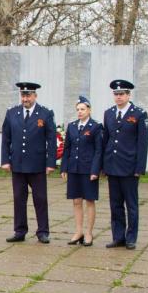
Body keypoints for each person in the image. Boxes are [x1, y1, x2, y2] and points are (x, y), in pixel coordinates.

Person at [1, 82, 57, 243]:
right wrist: (5, 160)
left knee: (40, 198)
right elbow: (6, 138)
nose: (25, 98)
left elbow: (51, 140)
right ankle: (20, 231)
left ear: (35, 96)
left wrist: (50, 163)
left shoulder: (45, 114)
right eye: (23, 95)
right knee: (19, 198)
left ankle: (43, 231)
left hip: (37, 164)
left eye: (28, 95)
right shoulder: (12, 113)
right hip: (17, 163)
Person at [102, 79, 148, 250]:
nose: (119, 97)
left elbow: (142, 144)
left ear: (129, 95)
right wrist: (103, 165)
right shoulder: (109, 113)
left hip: (129, 167)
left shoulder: (139, 114)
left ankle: (131, 238)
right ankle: (118, 236)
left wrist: (139, 168)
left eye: (122, 94)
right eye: (116, 94)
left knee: (131, 205)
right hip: (112, 165)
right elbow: (105, 139)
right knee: (115, 204)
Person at [60, 96, 103, 246]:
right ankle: (78, 231)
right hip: (74, 168)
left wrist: (95, 170)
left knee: (89, 201)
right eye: (78, 109)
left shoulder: (96, 127)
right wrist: (64, 167)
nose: (80, 112)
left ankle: (89, 233)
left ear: (89, 110)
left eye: (82, 109)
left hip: (88, 169)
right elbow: (67, 149)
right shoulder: (72, 126)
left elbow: (98, 150)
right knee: (76, 201)